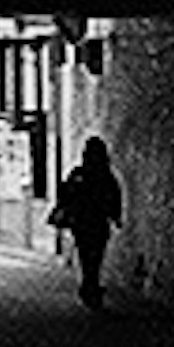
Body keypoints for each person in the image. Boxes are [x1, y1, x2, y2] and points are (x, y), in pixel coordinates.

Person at [55, 130, 123, 312]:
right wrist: (116, 216)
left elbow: (65, 194)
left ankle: (89, 285)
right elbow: (114, 196)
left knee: (87, 257)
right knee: (96, 257)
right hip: (98, 223)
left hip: (82, 223)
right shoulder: (106, 175)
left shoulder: (79, 173)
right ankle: (91, 286)